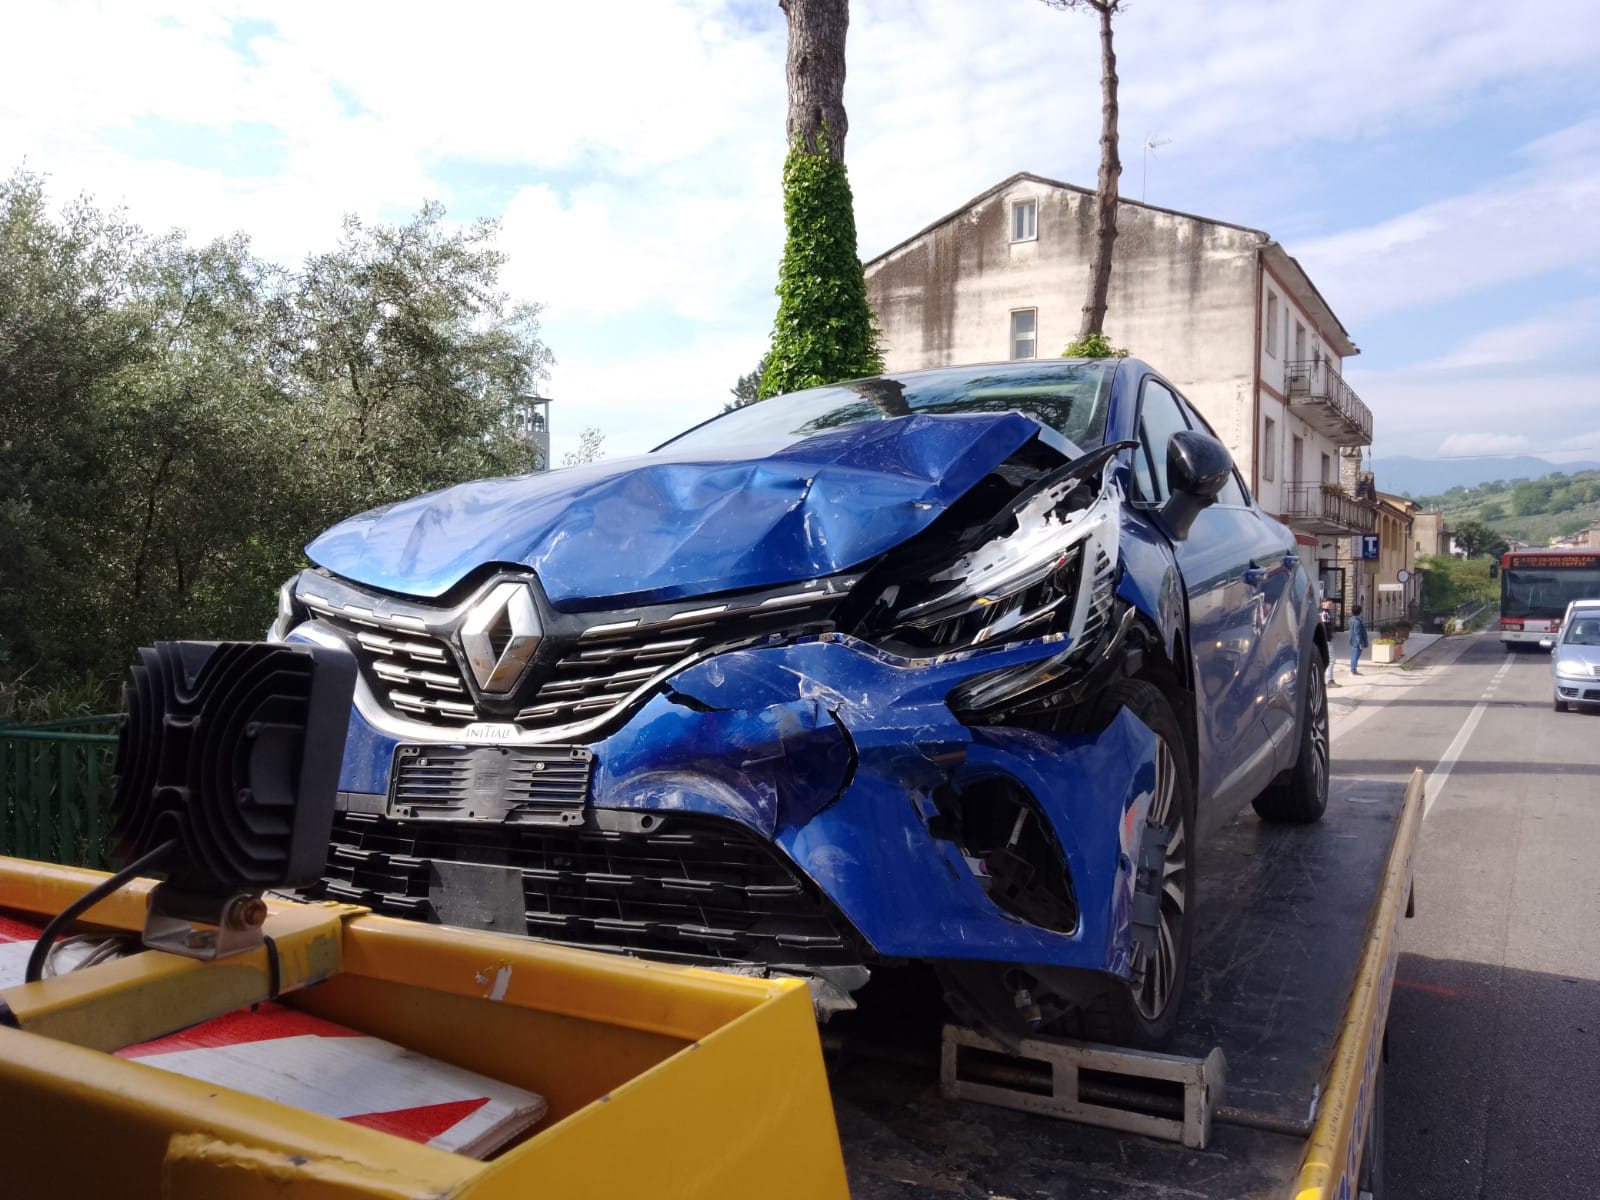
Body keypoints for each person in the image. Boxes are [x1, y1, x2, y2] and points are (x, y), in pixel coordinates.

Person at [1319, 599, 1339, 687]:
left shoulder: (1325, 613)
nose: (1330, 604)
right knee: (1331, 660)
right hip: (1326, 640)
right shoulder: (1324, 614)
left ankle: (1324, 679)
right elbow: (1324, 628)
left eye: (1331, 603)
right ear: (1323, 604)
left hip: (1326, 639)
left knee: (1328, 659)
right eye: (1328, 603)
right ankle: (1329, 680)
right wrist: (1328, 638)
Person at [1348, 604, 1369, 676]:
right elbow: (1358, 633)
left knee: (1353, 656)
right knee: (1355, 657)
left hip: (1353, 641)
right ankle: (1353, 671)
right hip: (1357, 642)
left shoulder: (1351, 620)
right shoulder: (1357, 621)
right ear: (1360, 612)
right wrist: (1361, 643)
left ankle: (1353, 670)